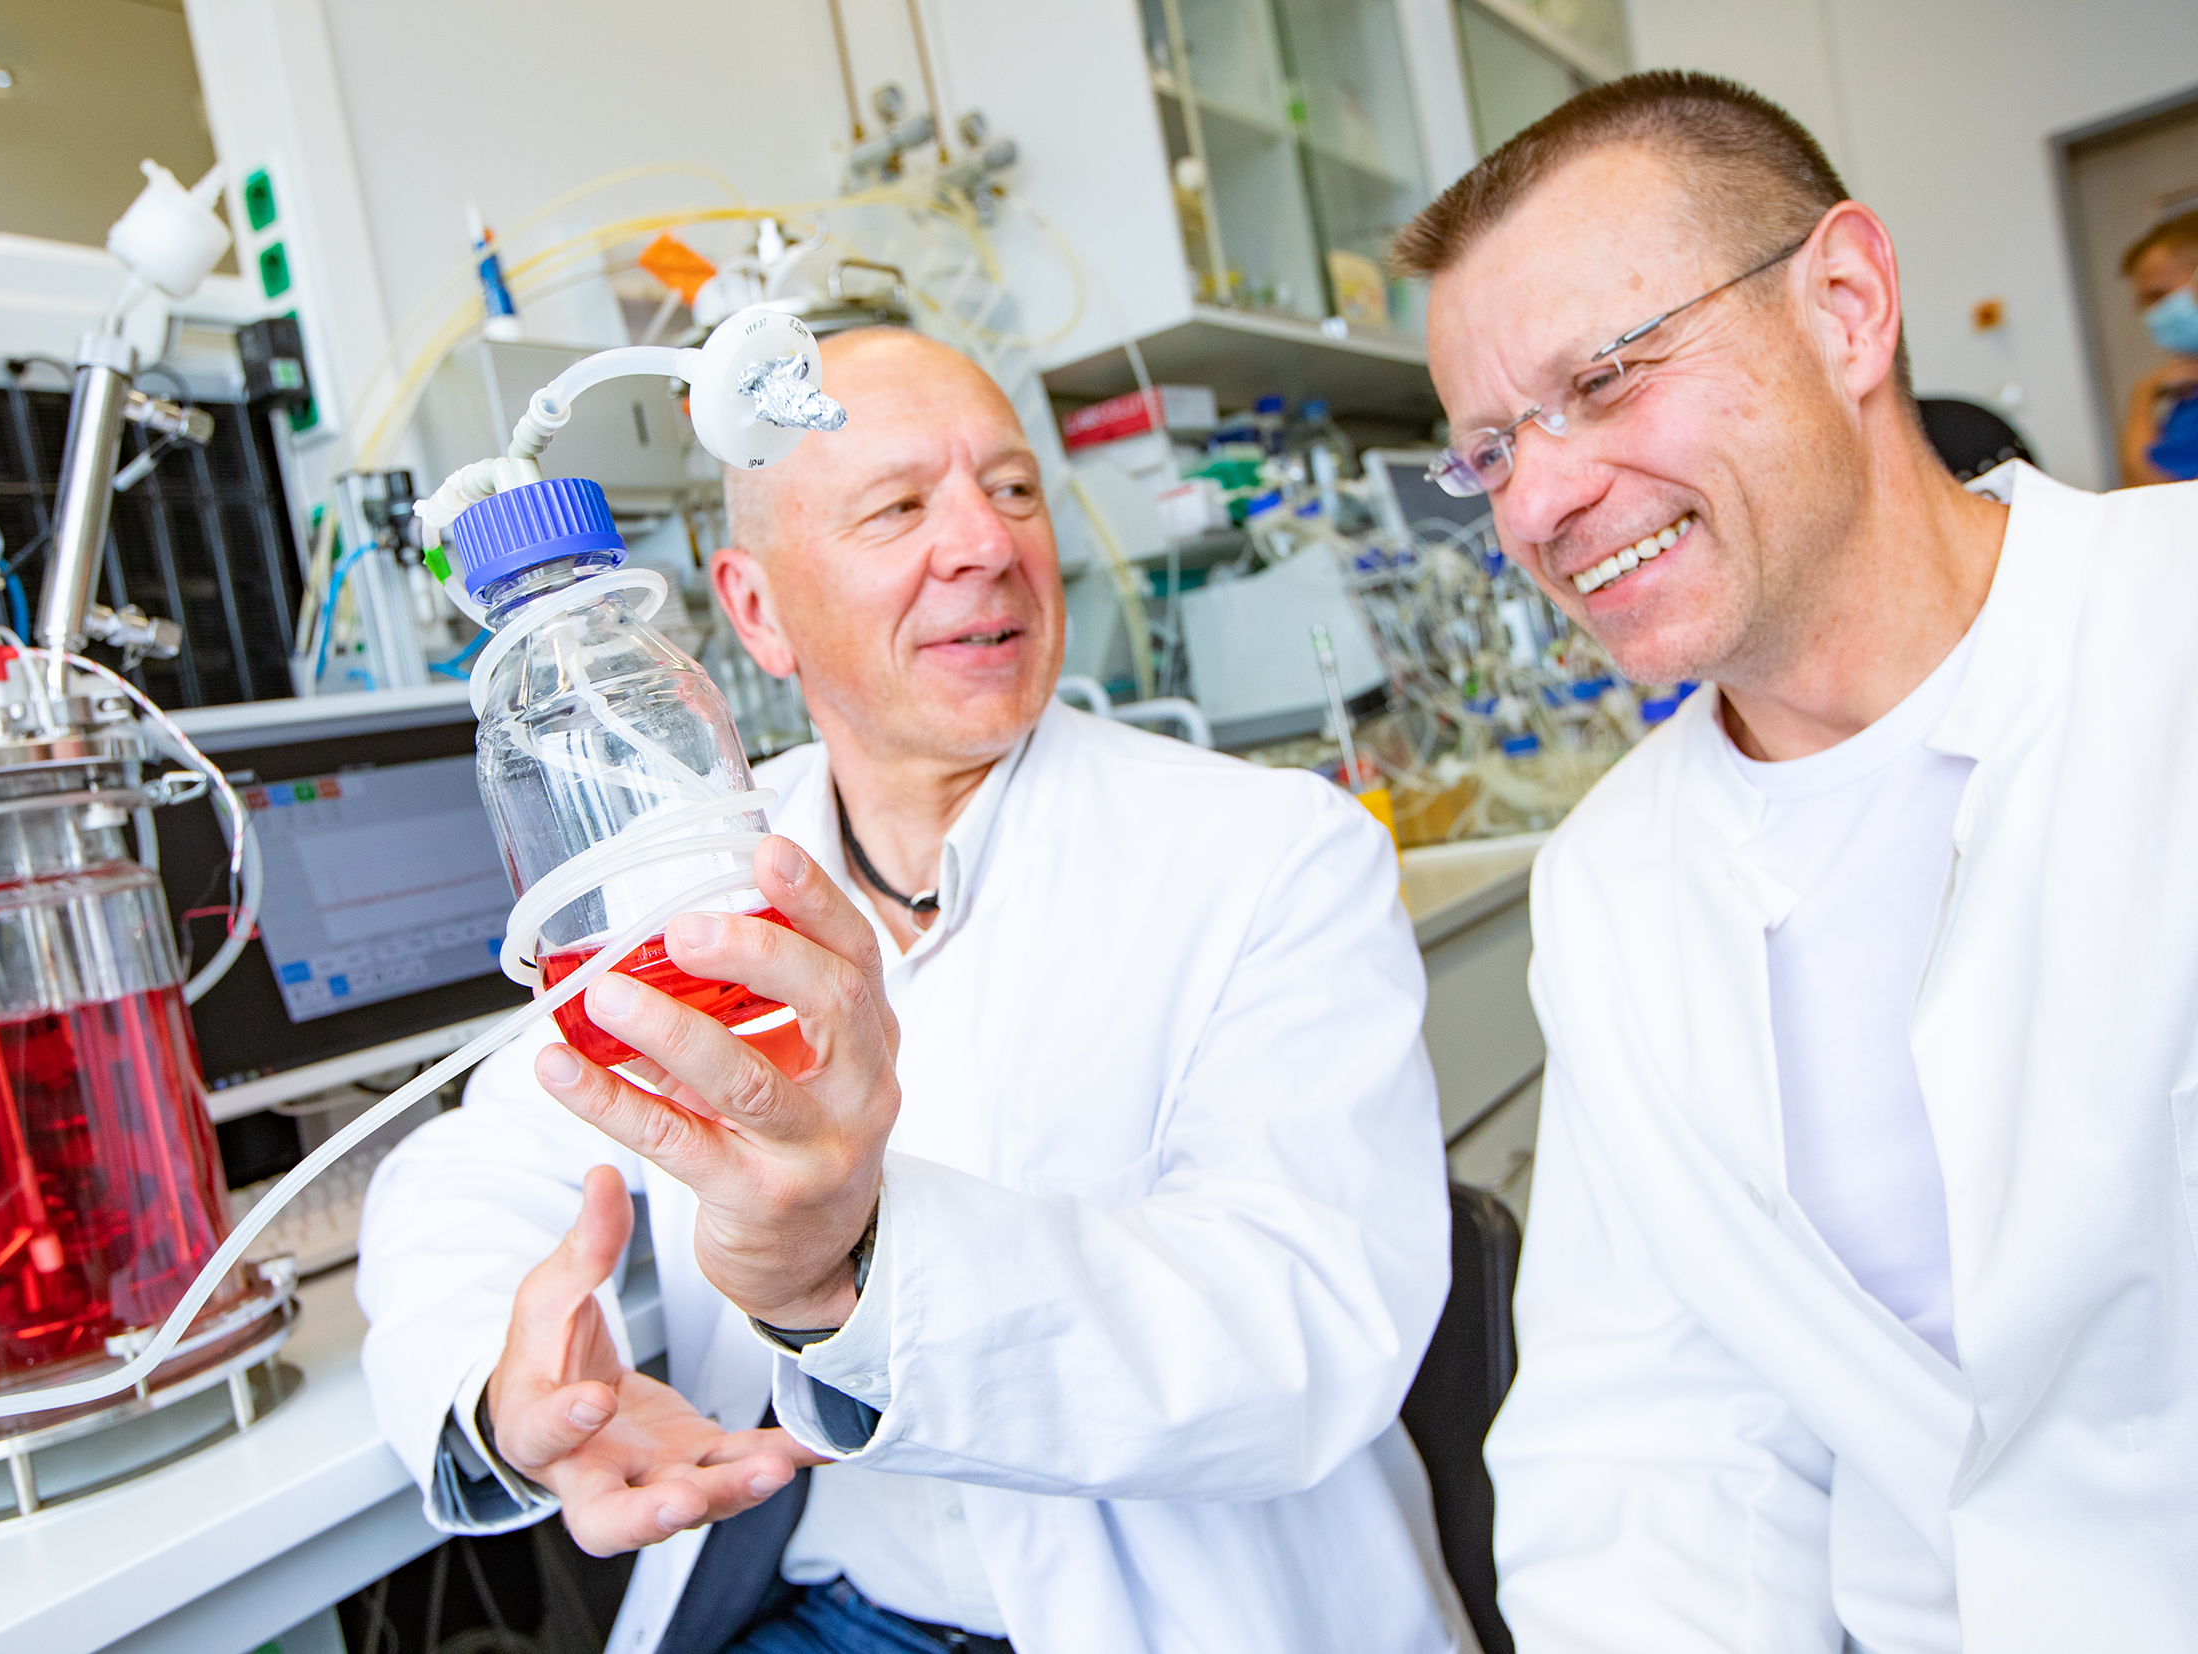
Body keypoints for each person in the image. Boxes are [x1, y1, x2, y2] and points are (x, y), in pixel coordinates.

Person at [356, 327, 1469, 1653]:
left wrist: (849, 1268)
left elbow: (1305, 1322)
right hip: (812, 1604)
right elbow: (470, 1175)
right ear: (755, 608)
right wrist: (513, 1385)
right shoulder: (685, 874)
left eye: (1011, 489)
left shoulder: (1271, 853)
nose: (984, 543)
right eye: (899, 506)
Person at [1392, 71, 2198, 1651]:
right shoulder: (1617, 881)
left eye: (1607, 379)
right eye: (1489, 451)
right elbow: (1650, 1441)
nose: (1543, 499)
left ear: (1844, 306)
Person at [2118, 209, 2198, 485]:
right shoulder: (2188, 387)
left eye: (2158, 295)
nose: (2151, 313)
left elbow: (2150, 493)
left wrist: (2141, 395)